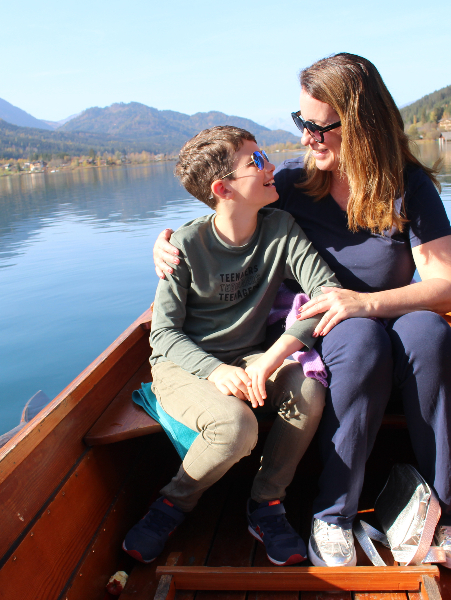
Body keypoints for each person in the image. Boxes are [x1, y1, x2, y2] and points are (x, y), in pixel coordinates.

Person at [152, 54, 451, 571]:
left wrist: (366, 302)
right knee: (359, 339)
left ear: (362, 126)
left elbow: (448, 286)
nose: (306, 137)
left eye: (319, 127)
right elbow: (226, 212)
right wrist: (165, 242)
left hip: (390, 316)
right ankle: (333, 514)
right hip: (333, 332)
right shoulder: (293, 184)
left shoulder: (406, 186)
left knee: (432, 336)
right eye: (300, 122)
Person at [124, 125, 342, 567]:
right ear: (222, 189)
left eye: (266, 157)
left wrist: (272, 358)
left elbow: (326, 293)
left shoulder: (281, 228)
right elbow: (163, 334)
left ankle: (267, 505)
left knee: (309, 388)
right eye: (256, 162)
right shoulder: (184, 245)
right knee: (236, 426)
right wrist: (215, 371)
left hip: (250, 353)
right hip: (182, 364)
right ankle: (172, 504)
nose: (271, 168)